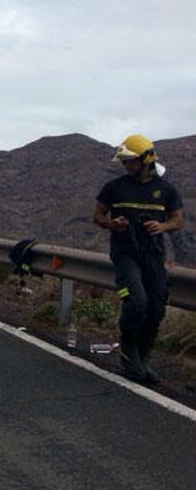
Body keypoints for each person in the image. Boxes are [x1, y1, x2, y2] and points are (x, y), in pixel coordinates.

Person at [93, 134, 183, 383]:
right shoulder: (114, 187)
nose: (127, 166)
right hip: (125, 255)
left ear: (146, 160)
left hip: (153, 256)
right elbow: (97, 217)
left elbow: (178, 219)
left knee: (155, 307)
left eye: (131, 161)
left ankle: (143, 355)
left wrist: (162, 227)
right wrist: (112, 223)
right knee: (137, 302)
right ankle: (127, 349)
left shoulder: (165, 190)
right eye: (124, 162)